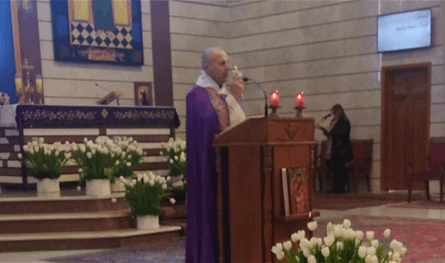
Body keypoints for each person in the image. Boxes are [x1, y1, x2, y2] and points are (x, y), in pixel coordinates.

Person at [185, 47, 246, 263]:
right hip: (209, 168)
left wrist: (233, 99)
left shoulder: (223, 93)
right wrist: (234, 97)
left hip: (230, 166)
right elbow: (212, 127)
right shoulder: (196, 95)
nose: (228, 68)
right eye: (221, 63)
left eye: (227, 62)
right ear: (207, 66)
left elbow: (239, 126)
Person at [318, 104, 352, 194]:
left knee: (340, 169)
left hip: (341, 149)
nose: (333, 114)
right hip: (333, 148)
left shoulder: (344, 121)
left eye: (335, 112)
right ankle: (335, 187)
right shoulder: (334, 121)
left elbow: (341, 134)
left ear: (339, 111)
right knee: (334, 169)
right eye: (332, 112)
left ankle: (340, 188)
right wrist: (325, 131)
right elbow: (331, 134)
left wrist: (330, 132)